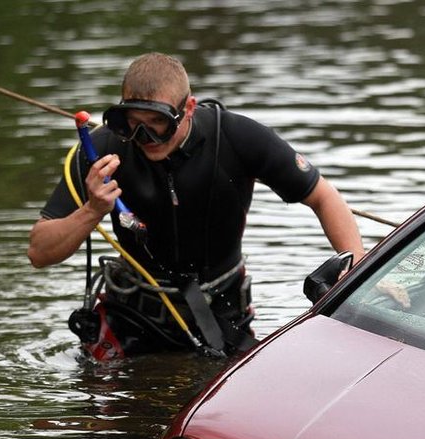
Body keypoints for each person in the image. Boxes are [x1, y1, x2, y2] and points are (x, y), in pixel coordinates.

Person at [28, 52, 365, 359]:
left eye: (158, 123)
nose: (145, 138)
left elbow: (322, 195)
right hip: (130, 315)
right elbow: (39, 253)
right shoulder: (101, 149)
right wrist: (91, 211)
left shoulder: (235, 137)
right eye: (134, 124)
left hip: (222, 314)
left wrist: (359, 272)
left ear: (187, 108)